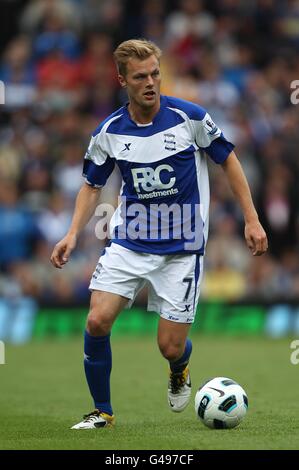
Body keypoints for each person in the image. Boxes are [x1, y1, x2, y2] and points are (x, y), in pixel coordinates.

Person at [50, 39, 268, 429]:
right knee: (97, 321)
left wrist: (251, 219)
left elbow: (229, 161)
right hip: (129, 241)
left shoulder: (190, 118)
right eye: (140, 76)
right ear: (122, 80)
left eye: (155, 73)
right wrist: (71, 234)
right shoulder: (109, 132)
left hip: (181, 250)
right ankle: (102, 411)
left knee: (169, 346)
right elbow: (90, 185)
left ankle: (179, 368)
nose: (150, 82)